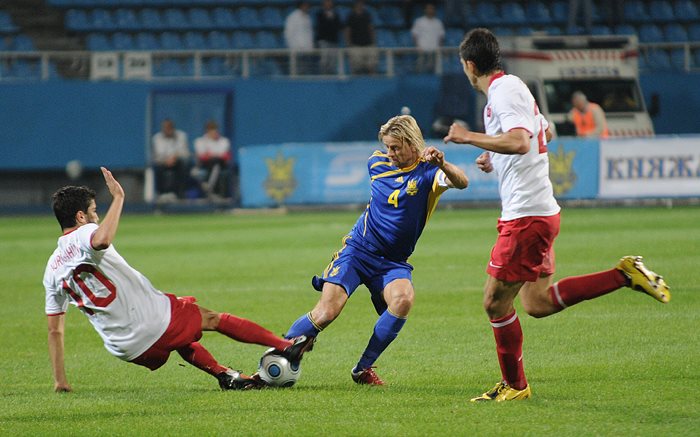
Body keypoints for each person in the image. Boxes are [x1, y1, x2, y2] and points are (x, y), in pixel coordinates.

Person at [444, 28, 670, 402]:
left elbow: (521, 141)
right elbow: (542, 131)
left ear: (469, 65)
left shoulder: (503, 91)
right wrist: (494, 156)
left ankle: (515, 386)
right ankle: (624, 274)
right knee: (537, 303)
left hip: (527, 216)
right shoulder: (512, 88)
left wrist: (469, 137)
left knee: (494, 302)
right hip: (538, 211)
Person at [44, 168, 313, 392]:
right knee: (211, 319)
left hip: (126, 349)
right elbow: (101, 240)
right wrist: (119, 198)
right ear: (80, 216)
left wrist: (60, 381)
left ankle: (225, 375)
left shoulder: (52, 269)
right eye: (93, 211)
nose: (97, 216)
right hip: (150, 323)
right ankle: (287, 347)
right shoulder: (85, 233)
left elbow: (54, 330)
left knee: (179, 327)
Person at [284, 115, 468, 385]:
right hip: (358, 251)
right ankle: (276, 355)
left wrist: (442, 164)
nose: (390, 153)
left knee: (403, 300)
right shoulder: (376, 163)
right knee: (326, 313)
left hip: (393, 262)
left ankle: (362, 369)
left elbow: (462, 182)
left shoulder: (430, 173)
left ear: (412, 143)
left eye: (395, 147)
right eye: (387, 147)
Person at [193, 120, 233, 200]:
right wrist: (215, 155)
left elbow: (226, 156)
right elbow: (201, 156)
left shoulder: (224, 141)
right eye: (211, 131)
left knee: (217, 162)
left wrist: (211, 155)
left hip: (221, 165)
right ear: (207, 131)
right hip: (204, 165)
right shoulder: (200, 141)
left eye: (215, 131)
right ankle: (211, 189)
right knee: (215, 161)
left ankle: (209, 185)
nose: (214, 133)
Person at [152, 119, 190, 200]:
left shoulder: (181, 136)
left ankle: (180, 193)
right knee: (157, 167)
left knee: (184, 163)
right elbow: (157, 155)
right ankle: (161, 193)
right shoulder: (157, 138)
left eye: (169, 127)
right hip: (162, 162)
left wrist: (174, 157)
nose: (167, 130)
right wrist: (165, 161)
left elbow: (185, 152)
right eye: (165, 128)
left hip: (177, 162)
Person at [411, 3, 445, 73]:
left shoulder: (438, 22)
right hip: (422, 49)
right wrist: (417, 46)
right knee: (420, 68)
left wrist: (439, 47)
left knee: (434, 69)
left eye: (432, 9)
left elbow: (441, 36)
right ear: (425, 10)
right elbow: (414, 34)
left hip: (434, 50)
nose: (430, 10)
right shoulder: (419, 21)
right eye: (429, 9)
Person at [345, 0, 377, 75]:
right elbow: (348, 30)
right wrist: (348, 42)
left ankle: (372, 75)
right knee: (356, 63)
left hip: (367, 42)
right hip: (355, 43)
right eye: (358, 3)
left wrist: (373, 40)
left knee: (372, 60)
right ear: (355, 5)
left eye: (361, 4)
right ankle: (355, 76)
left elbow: (371, 28)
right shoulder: (351, 16)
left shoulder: (367, 15)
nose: (360, 5)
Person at [284, 1, 314, 75]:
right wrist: (293, 47)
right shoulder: (293, 17)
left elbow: (310, 33)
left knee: (306, 71)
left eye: (308, 6)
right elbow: (288, 33)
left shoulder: (308, 17)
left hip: (307, 50)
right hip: (296, 50)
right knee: (297, 72)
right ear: (301, 6)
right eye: (306, 5)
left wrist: (310, 46)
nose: (307, 7)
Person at [316, 0, 343, 74]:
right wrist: (329, 19)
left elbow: (339, 26)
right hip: (324, 40)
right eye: (326, 2)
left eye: (330, 2)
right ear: (323, 3)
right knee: (324, 59)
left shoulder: (336, 14)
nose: (328, 3)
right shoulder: (319, 14)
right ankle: (323, 75)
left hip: (334, 40)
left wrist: (332, 18)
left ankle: (332, 75)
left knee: (333, 60)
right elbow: (321, 27)